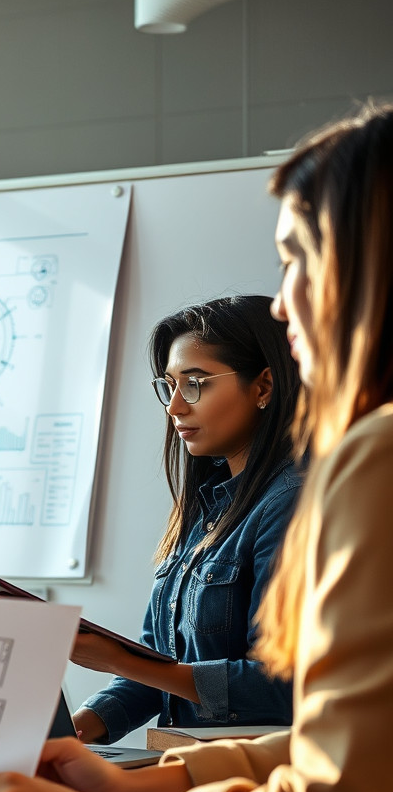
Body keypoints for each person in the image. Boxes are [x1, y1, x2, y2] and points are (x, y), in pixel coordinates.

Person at [0, 104, 393, 792]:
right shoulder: (212, 506)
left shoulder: (361, 465)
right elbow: (367, 750)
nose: (286, 300)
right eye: (166, 385)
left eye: (298, 260)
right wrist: (134, 775)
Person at [72, 295, 300, 743]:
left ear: (264, 387)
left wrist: (120, 660)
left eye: (195, 384)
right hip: (186, 767)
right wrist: (74, 730)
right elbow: (159, 670)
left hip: (254, 781)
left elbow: (283, 683)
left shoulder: (292, 502)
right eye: (170, 386)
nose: (174, 407)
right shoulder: (207, 508)